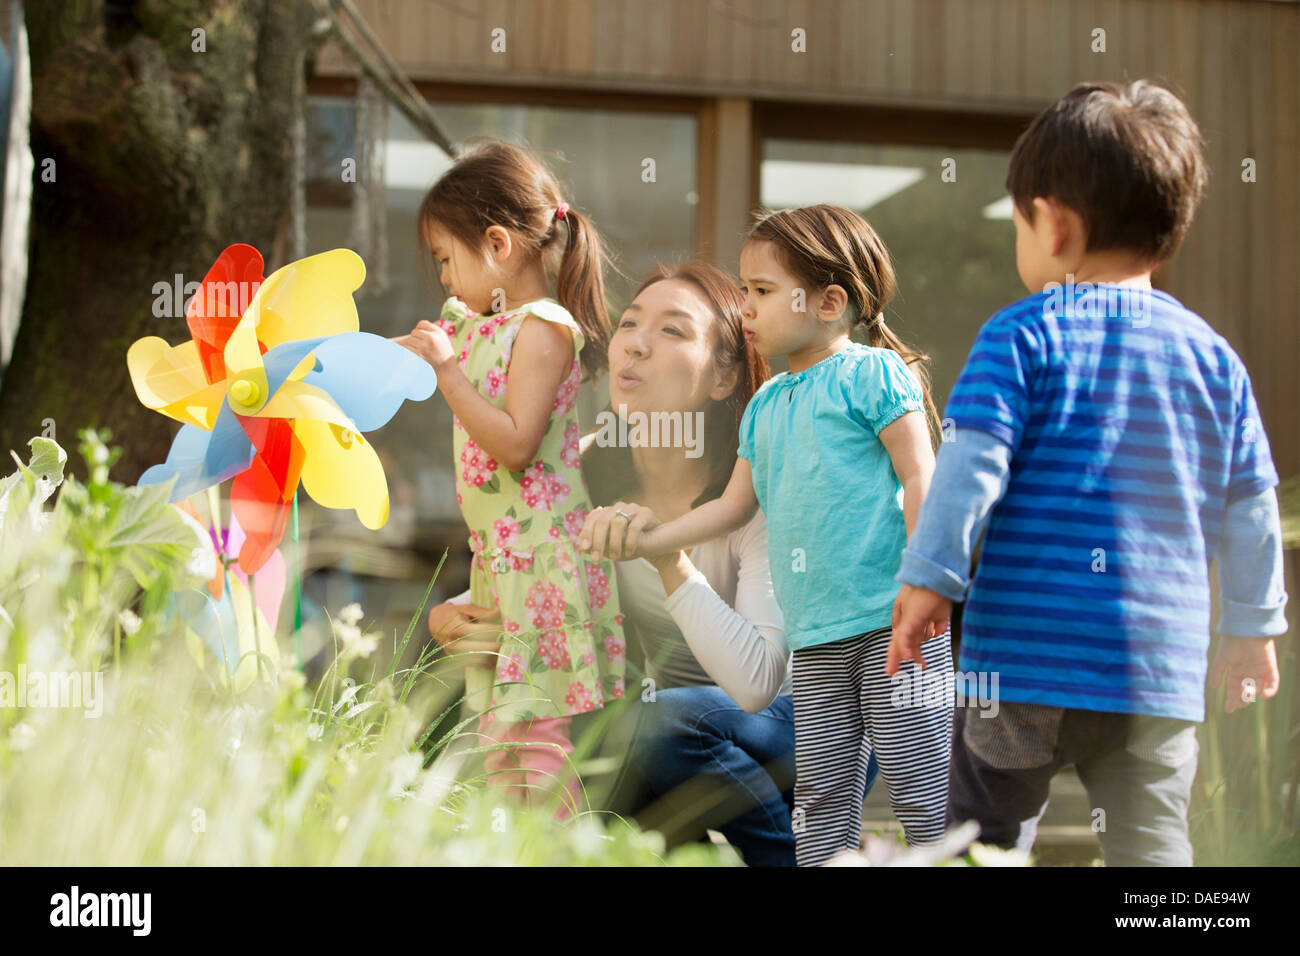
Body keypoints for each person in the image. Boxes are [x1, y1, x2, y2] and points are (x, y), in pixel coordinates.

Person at [889, 80, 1289, 866]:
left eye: (1020, 222)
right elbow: (1252, 505)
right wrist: (1253, 627)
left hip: (1022, 662)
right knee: (1153, 847)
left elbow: (971, 468)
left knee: (978, 834)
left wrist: (929, 578)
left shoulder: (1019, 337)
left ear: (1057, 227)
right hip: (1156, 671)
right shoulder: (1214, 359)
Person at [582, 207, 953, 866]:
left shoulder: (875, 375)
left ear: (830, 301)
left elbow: (921, 477)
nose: (747, 307)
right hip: (816, 643)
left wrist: (925, 586)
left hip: (888, 628)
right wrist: (651, 541)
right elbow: (729, 506)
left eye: (761, 291)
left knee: (924, 793)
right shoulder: (768, 404)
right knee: (822, 802)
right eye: (745, 290)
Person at [394, 138, 625, 818]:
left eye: (445, 259)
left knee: (538, 733)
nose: (442, 279)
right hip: (503, 558)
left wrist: (448, 372)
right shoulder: (482, 327)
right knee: (499, 733)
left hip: (543, 561)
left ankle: (559, 849)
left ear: (497, 244)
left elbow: (518, 443)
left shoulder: (545, 330)